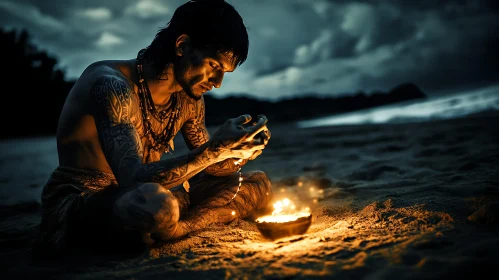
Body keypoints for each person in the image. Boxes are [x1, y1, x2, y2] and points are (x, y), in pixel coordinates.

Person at [33, 0, 273, 257]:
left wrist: (238, 151)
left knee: (257, 183)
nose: (218, 83)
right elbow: (132, 179)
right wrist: (213, 150)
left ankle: (181, 228)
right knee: (154, 205)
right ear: (182, 45)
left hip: (158, 194)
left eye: (224, 72)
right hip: (88, 201)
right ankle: (170, 224)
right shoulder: (111, 85)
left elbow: (214, 168)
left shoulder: (189, 100)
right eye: (214, 66)